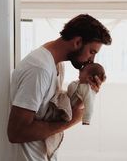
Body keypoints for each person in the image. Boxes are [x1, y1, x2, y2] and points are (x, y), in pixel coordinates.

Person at [7, 14, 112, 161]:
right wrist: (71, 120)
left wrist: (86, 94)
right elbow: (16, 132)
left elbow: (50, 111)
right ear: (78, 42)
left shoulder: (57, 65)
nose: (92, 60)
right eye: (92, 52)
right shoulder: (39, 69)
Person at [43, 62, 106, 160]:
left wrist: (86, 119)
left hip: (68, 109)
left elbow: (89, 105)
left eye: (83, 70)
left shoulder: (86, 89)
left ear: (89, 77)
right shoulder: (79, 83)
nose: (80, 70)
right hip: (66, 103)